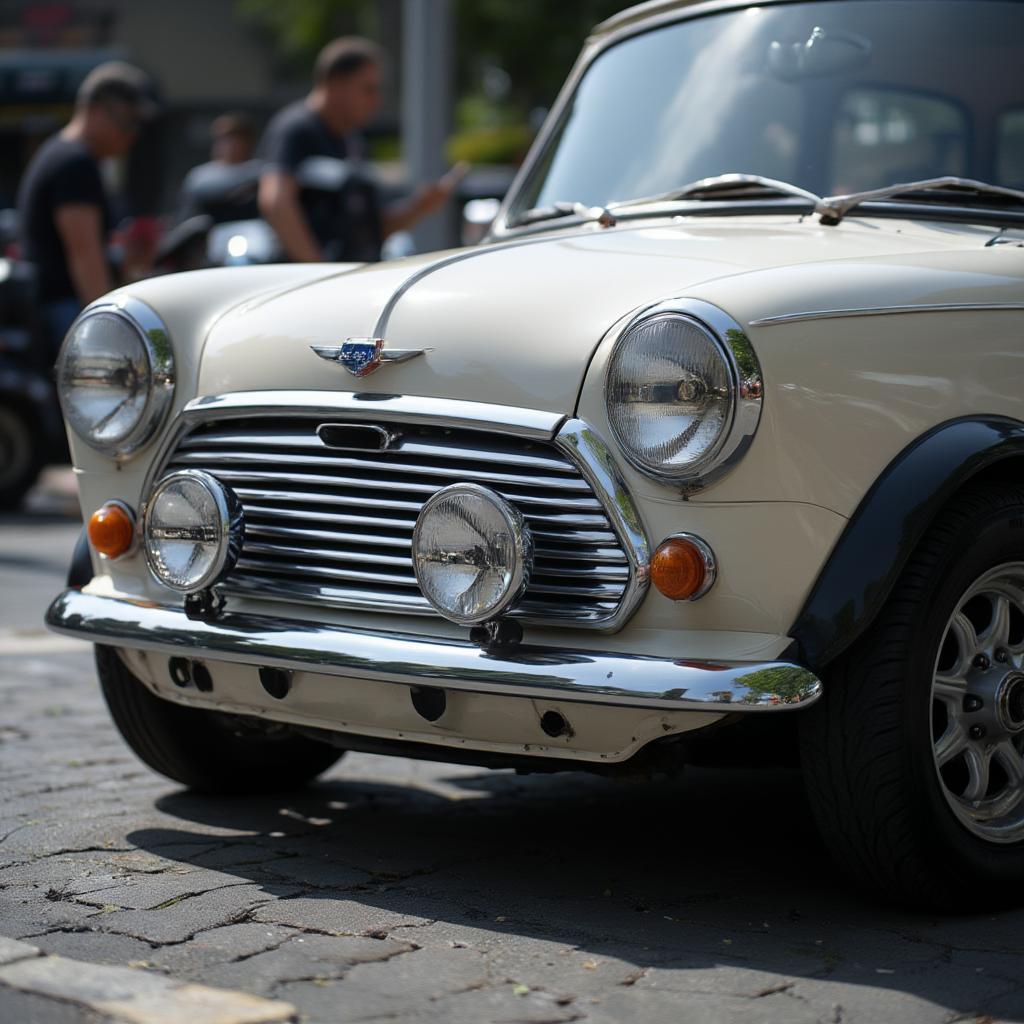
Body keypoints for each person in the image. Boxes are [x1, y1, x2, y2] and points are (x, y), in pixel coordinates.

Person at [258, 36, 454, 263]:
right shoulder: (295, 129)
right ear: (334, 82)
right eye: (368, 89)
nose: (375, 100)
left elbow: (370, 231)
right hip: (311, 287)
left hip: (347, 279)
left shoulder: (352, 141)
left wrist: (418, 208)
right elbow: (275, 201)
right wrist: (318, 269)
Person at [17, 61, 156, 358]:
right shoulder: (74, 163)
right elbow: (85, 257)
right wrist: (109, 330)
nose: (132, 135)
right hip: (63, 307)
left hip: (52, 305)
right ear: (97, 111)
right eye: (128, 123)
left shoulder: (62, 154)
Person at [177, 112, 261, 225]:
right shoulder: (200, 176)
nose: (229, 145)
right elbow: (188, 217)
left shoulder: (262, 172)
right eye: (224, 139)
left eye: (235, 139)